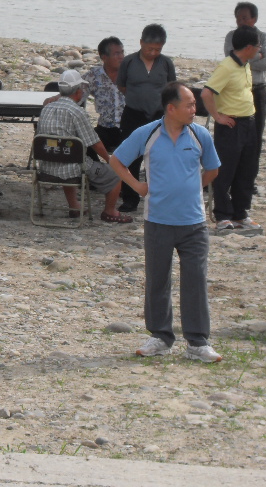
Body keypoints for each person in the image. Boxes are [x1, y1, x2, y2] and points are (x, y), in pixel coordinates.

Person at [109, 82, 222, 362]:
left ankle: (197, 342)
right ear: (171, 108)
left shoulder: (200, 134)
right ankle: (160, 337)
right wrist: (137, 186)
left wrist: (192, 187)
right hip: (158, 221)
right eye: (190, 104)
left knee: (195, 281)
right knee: (157, 280)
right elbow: (117, 160)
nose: (195, 109)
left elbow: (213, 169)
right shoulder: (148, 133)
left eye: (195, 104)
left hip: (194, 224)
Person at [37, 69, 128, 222]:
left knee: (65, 155)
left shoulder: (46, 108)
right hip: (72, 168)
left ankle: (74, 206)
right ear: (78, 92)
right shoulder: (77, 112)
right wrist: (110, 160)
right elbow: (94, 142)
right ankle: (110, 211)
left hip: (46, 167)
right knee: (115, 175)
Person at [201, 25, 262, 234]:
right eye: (257, 46)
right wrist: (218, 116)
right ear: (248, 47)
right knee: (225, 170)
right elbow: (207, 93)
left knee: (247, 169)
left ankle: (240, 213)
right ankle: (223, 215)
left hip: (249, 122)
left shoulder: (245, 64)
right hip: (231, 124)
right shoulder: (226, 67)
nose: (259, 50)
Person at [116, 24, 176, 213]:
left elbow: (172, 89)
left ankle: (156, 198)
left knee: (158, 158)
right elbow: (122, 86)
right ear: (141, 43)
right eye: (149, 49)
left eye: (157, 49)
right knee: (131, 157)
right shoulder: (129, 62)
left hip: (158, 116)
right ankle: (130, 198)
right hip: (133, 114)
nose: (153, 53)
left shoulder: (166, 63)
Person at [223, 2, 266, 165]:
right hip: (236, 90)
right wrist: (258, 56)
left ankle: (251, 172)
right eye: (238, 18)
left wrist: (244, 58)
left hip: (257, 89)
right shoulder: (231, 36)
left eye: (245, 18)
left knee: (256, 133)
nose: (241, 22)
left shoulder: (263, 37)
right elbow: (232, 60)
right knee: (235, 133)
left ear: (254, 19)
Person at [83, 36, 125, 153]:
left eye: (122, 52)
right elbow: (76, 93)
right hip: (105, 128)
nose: (121, 57)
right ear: (104, 57)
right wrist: (59, 97)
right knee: (84, 144)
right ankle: (98, 166)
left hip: (127, 129)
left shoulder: (130, 74)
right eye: (116, 54)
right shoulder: (94, 75)